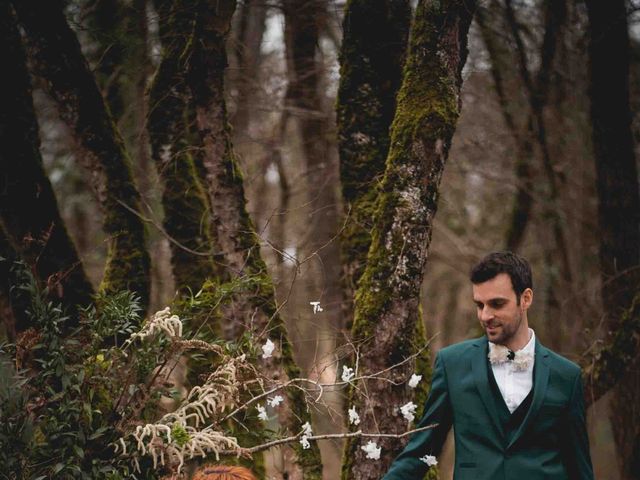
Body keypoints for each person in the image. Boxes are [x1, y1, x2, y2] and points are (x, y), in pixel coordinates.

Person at [382, 251, 594, 479]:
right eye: (480, 305)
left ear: (526, 299)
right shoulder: (452, 364)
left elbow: (579, 468)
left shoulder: (567, 376)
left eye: (496, 304)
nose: (485, 316)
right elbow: (422, 450)